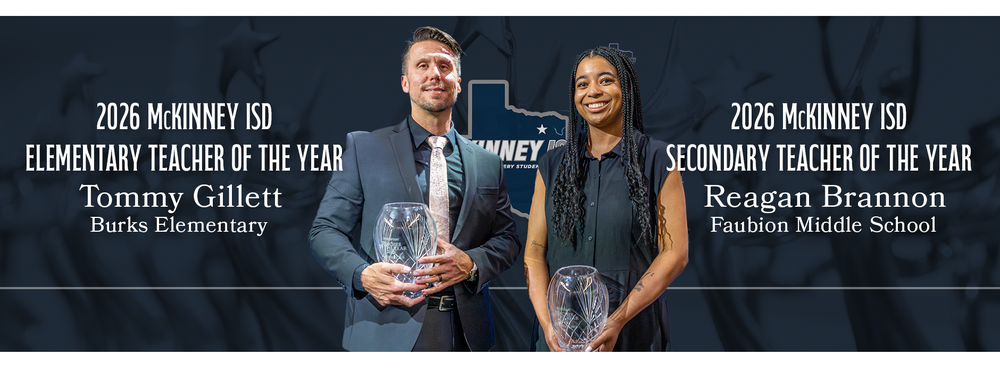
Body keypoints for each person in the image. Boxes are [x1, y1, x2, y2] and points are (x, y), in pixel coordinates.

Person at [309, 26, 521, 351]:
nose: (435, 74)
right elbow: (325, 230)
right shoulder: (364, 148)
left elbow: (507, 238)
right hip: (385, 330)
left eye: (445, 66)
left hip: (468, 335)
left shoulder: (488, 162)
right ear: (406, 82)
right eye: (423, 65)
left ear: (458, 82)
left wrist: (472, 262)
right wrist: (363, 275)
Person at [524, 46, 689, 351]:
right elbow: (534, 254)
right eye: (582, 84)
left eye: (605, 80)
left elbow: (675, 254)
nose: (593, 92)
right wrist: (549, 327)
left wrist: (617, 320)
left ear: (625, 88)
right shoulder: (551, 165)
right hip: (560, 340)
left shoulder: (656, 158)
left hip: (633, 332)